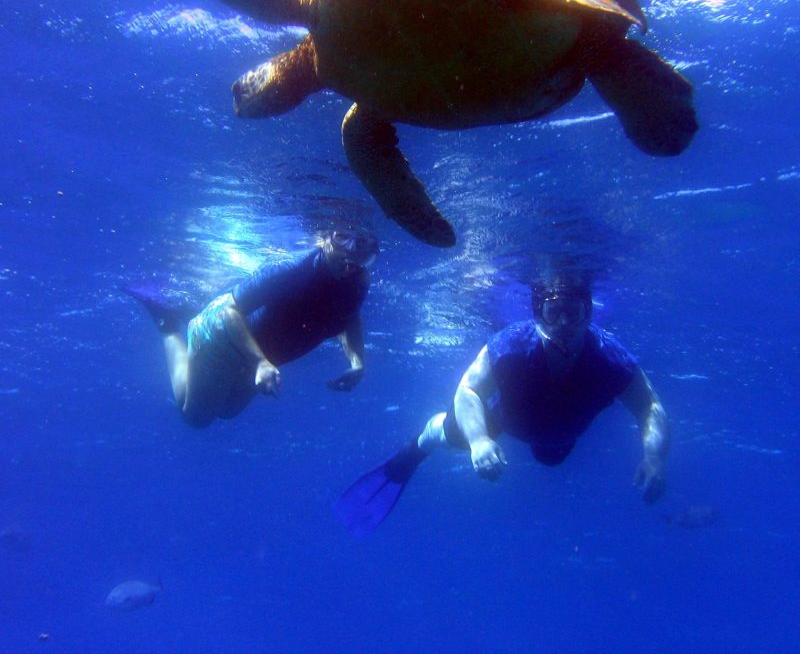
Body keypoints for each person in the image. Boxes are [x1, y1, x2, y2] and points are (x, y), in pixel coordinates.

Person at [334, 274, 669, 536]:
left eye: (574, 312)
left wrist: (654, 458)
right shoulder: (513, 344)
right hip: (506, 419)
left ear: (588, 314)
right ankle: (416, 450)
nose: (565, 324)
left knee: (552, 457)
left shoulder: (610, 357)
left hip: (561, 436)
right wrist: (479, 441)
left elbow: (649, 406)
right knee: (454, 438)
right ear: (539, 314)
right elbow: (468, 390)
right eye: (554, 312)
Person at [124, 228, 378, 428]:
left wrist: (357, 362)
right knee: (196, 418)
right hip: (222, 335)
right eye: (342, 238)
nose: (351, 255)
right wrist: (260, 362)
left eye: (364, 246)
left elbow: (350, 316)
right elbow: (229, 311)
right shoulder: (294, 268)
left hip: (259, 356)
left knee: (228, 411)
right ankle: (166, 321)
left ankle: (185, 317)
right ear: (325, 240)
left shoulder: (357, 280)